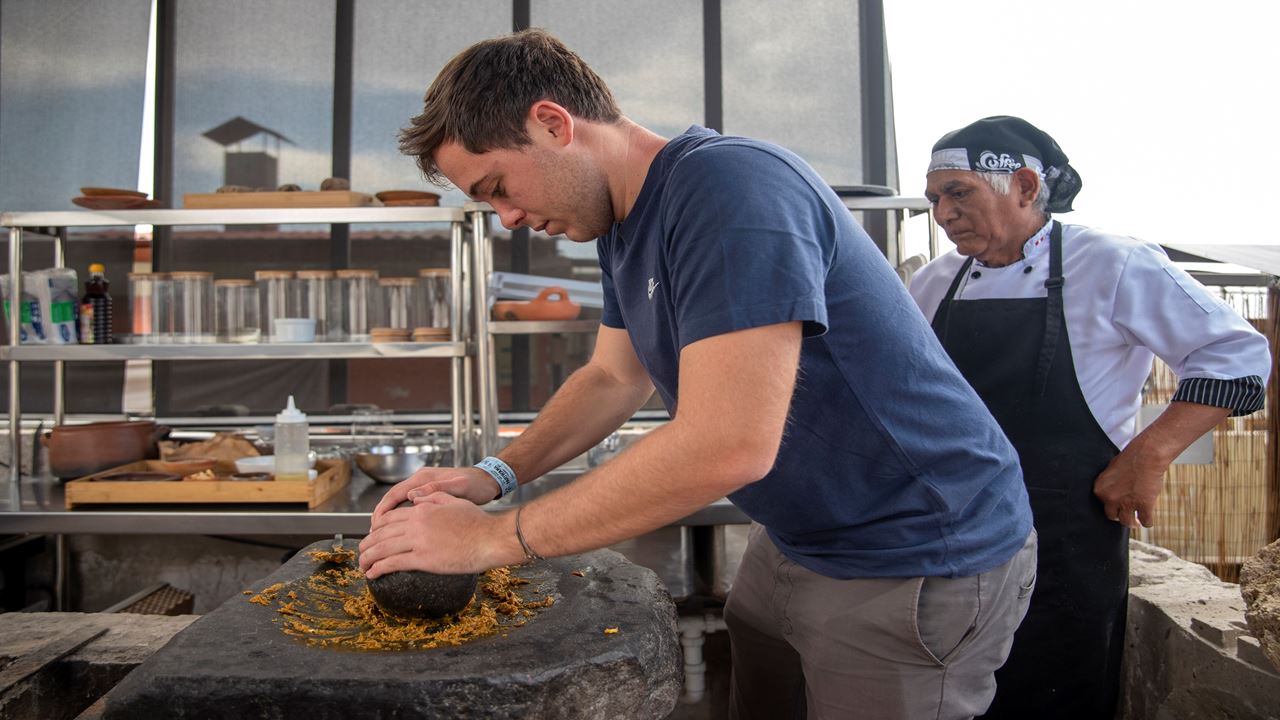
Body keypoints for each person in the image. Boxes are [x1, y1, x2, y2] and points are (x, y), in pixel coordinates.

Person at [359, 29, 1037, 719]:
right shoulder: (619, 223)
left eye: (498, 187)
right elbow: (612, 378)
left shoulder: (728, 188)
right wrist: (493, 475)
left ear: (554, 124)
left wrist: (492, 538)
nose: (507, 218)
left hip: (913, 549)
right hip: (797, 538)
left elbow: (728, 444)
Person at [908, 115, 1271, 719]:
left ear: (1026, 186)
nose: (944, 213)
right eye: (935, 199)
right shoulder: (934, 283)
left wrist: (1148, 454)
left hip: (1066, 533)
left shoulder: (1113, 263)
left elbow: (1237, 357)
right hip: (952, 534)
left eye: (958, 193)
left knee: (1055, 692)